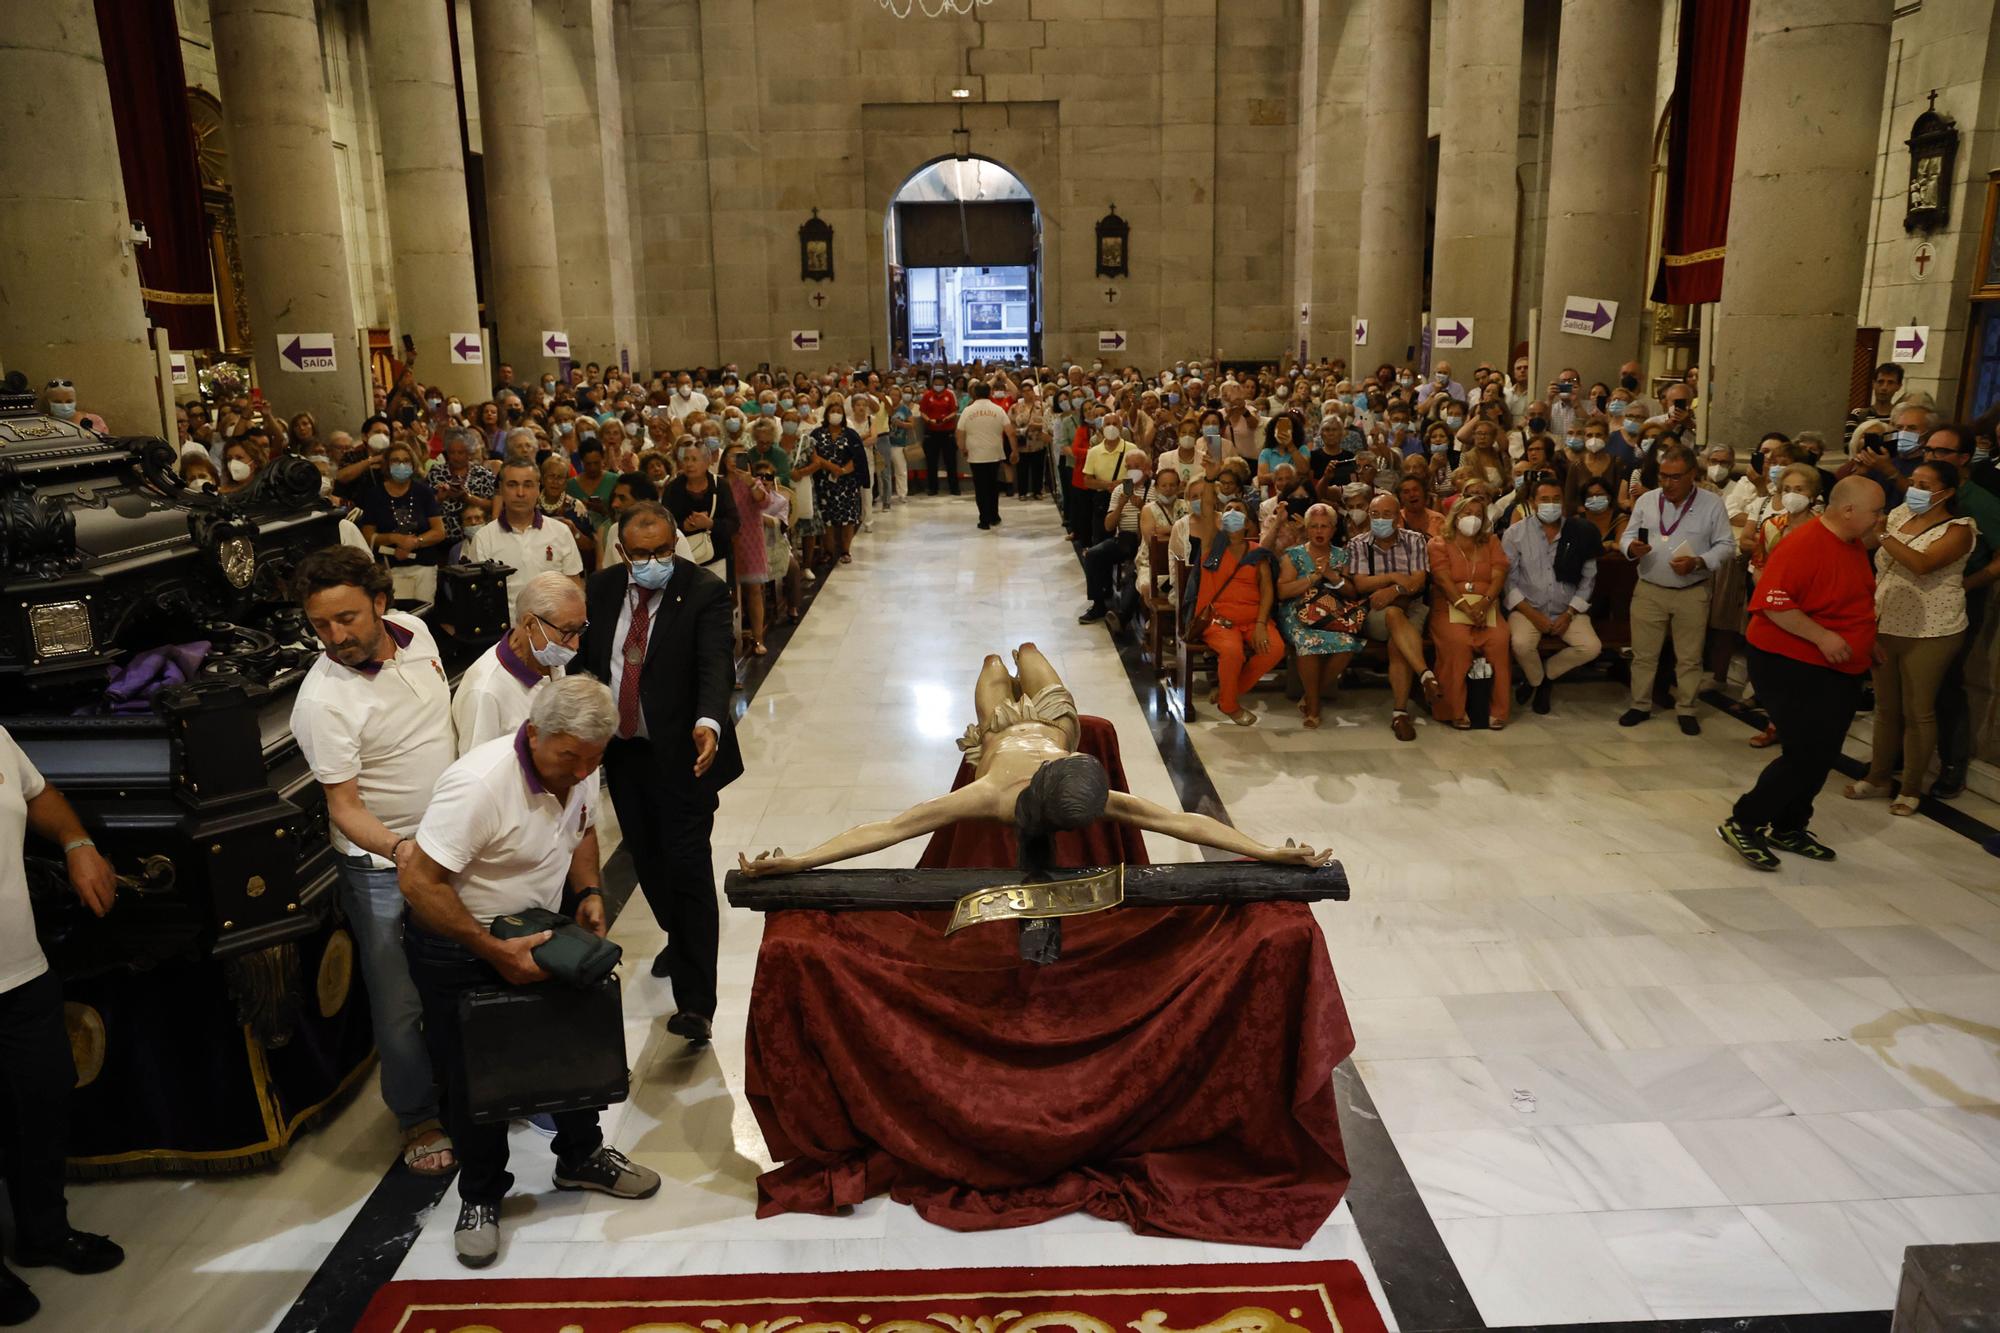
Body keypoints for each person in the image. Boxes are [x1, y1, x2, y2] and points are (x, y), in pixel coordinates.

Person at [399, 677, 660, 1269]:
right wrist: (490, 949)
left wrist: (589, 889)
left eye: (593, 760)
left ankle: (581, 1156)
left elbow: (585, 828)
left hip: (537, 928)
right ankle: (481, 1197)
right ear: (534, 733)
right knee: (475, 1078)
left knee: (571, 1043)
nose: (580, 770)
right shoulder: (480, 785)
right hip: (460, 939)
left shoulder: (580, 763)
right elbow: (419, 885)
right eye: (569, 757)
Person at [739, 642, 1330, 876]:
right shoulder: (1018, 788)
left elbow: (890, 828)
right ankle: (1023, 660)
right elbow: (1181, 820)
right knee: (1024, 653)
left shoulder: (993, 794)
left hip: (1001, 732)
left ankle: (1009, 661)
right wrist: (1269, 848)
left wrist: (800, 861)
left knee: (999, 661)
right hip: (1051, 721)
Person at [287, 547, 456, 1179]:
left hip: (451, 845)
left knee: (467, 964)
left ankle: (482, 1079)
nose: (337, 637)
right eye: (321, 626)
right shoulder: (323, 702)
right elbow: (343, 807)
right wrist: (401, 851)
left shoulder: (418, 634)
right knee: (399, 997)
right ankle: (418, 1114)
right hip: (383, 865)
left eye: (348, 619)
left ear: (382, 604)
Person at [580, 503, 742, 1048]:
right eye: (642, 554)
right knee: (648, 860)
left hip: (685, 752)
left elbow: (715, 663)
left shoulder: (703, 590)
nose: (654, 562)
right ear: (622, 551)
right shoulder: (601, 590)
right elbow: (587, 662)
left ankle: (697, 1004)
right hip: (625, 753)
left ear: (676, 541)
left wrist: (709, 722)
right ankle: (681, 934)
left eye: (664, 550)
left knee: (688, 866)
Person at [0, 728, 122, 1326]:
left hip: (20, 966)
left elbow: (37, 792)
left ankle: (43, 1231)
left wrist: (76, 841)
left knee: (43, 1098)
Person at [1720, 478, 1886, 871]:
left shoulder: (1851, 544)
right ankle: (1744, 822)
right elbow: (1774, 603)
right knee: (1805, 750)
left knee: (1823, 752)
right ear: (1848, 511)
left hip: (1840, 664)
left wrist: (1866, 641)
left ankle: (1789, 826)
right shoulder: (1804, 544)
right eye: (1876, 511)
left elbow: (1850, 599)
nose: (1881, 518)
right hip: (1792, 661)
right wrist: (1823, 636)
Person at [1845, 461, 1976, 816]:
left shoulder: (1960, 528)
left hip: (1932, 627)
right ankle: (1878, 776)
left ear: (1946, 492)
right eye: (1913, 481)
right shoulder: (1902, 511)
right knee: (1886, 708)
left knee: (1918, 710)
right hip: (1887, 620)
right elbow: (1873, 542)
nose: (1913, 488)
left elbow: (1922, 564)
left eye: (1924, 484)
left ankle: (1912, 788)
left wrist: (1887, 535)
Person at [1617, 443, 1735, 735]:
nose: (1668, 484)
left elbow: (1727, 546)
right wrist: (1631, 547)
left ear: (1692, 474)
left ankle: (1686, 708)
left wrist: (1698, 561)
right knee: (1644, 654)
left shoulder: (1711, 504)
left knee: (1689, 657)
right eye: (1663, 476)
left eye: (1675, 477)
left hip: (1691, 591)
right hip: (1649, 588)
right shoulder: (1647, 501)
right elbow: (1627, 535)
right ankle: (1640, 704)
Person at [451, 572, 586, 753]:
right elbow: (476, 772)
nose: (575, 645)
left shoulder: (548, 656)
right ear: (530, 624)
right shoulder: (485, 692)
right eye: (568, 631)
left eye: (580, 629)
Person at [1502, 476, 1602, 715]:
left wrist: (1569, 614)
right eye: (1544, 499)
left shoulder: (1580, 531)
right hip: (1527, 609)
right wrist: (1532, 615)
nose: (1551, 504)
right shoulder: (1515, 534)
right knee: (1521, 644)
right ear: (1533, 502)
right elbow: (1508, 581)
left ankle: (1545, 674)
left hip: (1567, 610)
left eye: (1556, 499)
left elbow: (1589, 578)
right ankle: (1538, 682)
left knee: (1591, 647)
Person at [1349, 492, 1439, 741]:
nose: (1380, 519)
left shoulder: (1414, 540)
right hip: (1375, 612)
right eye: (1375, 514)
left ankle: (1400, 714)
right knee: (1392, 613)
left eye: (1386, 514)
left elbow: (1418, 581)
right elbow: (1361, 584)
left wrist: (1395, 589)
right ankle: (1424, 675)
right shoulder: (1359, 543)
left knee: (1397, 643)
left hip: (1413, 606)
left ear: (1398, 518)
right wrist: (1393, 577)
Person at [1194, 496, 1284, 726]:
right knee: (1233, 652)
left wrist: (1262, 624)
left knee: (1274, 649)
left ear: (1247, 524)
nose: (1232, 513)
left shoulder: (1257, 553)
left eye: (1238, 510)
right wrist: (1210, 478)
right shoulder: (1212, 547)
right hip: (1218, 620)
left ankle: (1227, 693)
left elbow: (1266, 592)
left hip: (1254, 620)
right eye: (1228, 510)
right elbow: (1205, 509)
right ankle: (1230, 705)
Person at [1428, 493, 1511, 730]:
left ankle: (1498, 710)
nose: (1472, 519)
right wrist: (1466, 607)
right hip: (1449, 607)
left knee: (1499, 640)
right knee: (1459, 643)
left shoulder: (1491, 542)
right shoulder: (1439, 543)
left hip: (1487, 607)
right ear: (1455, 517)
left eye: (1478, 515)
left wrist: (1484, 605)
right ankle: (1454, 709)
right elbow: (1442, 579)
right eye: (1467, 514)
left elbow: (1499, 574)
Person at [467, 459, 586, 621]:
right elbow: (478, 600)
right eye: (512, 484)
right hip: (504, 635)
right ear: (501, 489)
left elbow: (574, 589)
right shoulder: (484, 538)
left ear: (538, 488)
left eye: (528, 485)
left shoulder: (561, 532)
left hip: (555, 632)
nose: (520, 493)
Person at [1276, 504, 1360, 729]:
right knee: (1306, 640)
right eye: (1314, 526)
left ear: (1333, 529)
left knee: (1348, 643)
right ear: (1306, 529)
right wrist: (1313, 578)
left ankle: (1313, 695)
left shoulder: (1342, 555)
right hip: (1296, 612)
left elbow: (1352, 592)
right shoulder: (1293, 555)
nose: (1319, 531)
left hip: (1331, 613)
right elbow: (1283, 592)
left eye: (1324, 526)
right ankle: (1314, 706)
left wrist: (1332, 576)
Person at [357, 441, 448, 602]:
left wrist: (415, 542)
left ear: (412, 465)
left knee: (423, 613)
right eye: (395, 460)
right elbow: (367, 536)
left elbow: (439, 532)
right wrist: (394, 538)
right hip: (389, 568)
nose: (401, 465)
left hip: (423, 565)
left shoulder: (423, 492)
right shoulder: (374, 495)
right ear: (387, 465)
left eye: (405, 461)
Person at [1078, 449, 1153, 627]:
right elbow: (1108, 526)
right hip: (1125, 538)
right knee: (1095, 554)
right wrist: (1120, 506)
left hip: (1147, 540)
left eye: (1137, 467)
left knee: (1138, 566)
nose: (1133, 470)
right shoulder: (1121, 488)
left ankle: (1125, 612)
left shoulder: (1156, 487)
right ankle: (1099, 602)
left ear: (1147, 467)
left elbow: (1160, 518)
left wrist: (1144, 507)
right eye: (1130, 467)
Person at [957, 379, 1017, 531]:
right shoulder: (998, 409)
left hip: (975, 453)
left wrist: (962, 448)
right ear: (990, 393)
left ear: (975, 394)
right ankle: (994, 516)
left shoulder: (968, 410)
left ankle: (984, 520)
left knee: (980, 487)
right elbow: (1010, 432)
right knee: (992, 485)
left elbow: (959, 433)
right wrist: (1014, 450)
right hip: (995, 453)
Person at [918, 372, 961, 495]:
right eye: (936, 383)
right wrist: (928, 420)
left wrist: (947, 418)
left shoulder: (949, 395)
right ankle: (932, 488)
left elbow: (954, 411)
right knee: (931, 462)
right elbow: (923, 412)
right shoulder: (927, 395)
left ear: (944, 384)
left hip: (947, 431)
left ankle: (954, 488)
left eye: (940, 384)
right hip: (931, 432)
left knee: (951, 462)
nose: (938, 386)